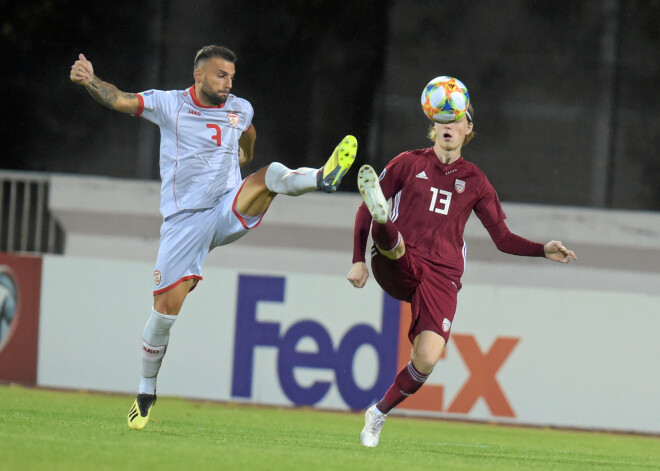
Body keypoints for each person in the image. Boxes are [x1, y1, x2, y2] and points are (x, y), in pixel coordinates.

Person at [70, 45, 358, 431]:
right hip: (184, 223)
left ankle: (321, 177)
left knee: (270, 174)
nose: (228, 83)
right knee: (163, 317)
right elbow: (120, 99)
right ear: (199, 76)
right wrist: (90, 80)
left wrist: (244, 153)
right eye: (221, 75)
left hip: (226, 206)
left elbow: (249, 132)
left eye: (232, 77)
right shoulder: (169, 105)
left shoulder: (240, 107)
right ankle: (145, 390)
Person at [347, 82, 576, 448]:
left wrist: (541, 249)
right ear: (433, 126)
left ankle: (378, 413)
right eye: (442, 121)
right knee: (387, 232)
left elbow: (502, 238)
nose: (448, 126)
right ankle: (384, 219)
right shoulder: (408, 163)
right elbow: (360, 210)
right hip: (399, 262)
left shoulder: (476, 182)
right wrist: (358, 261)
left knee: (427, 358)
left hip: (442, 275)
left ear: (468, 129)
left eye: (457, 120)